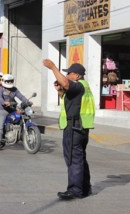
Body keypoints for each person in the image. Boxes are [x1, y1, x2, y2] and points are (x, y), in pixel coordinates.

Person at [43, 59, 95, 200]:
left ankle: (75, 190)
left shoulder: (78, 86)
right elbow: (70, 97)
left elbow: (66, 83)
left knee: (73, 159)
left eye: (70, 73)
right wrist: (60, 91)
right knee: (80, 158)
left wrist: (53, 67)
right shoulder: (84, 86)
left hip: (74, 127)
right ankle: (85, 188)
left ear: (77, 75)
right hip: (82, 127)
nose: (67, 76)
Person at [0, 74, 30, 152]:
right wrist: (4, 102)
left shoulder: (14, 89)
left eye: (11, 81)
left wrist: (27, 101)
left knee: (22, 116)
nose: (9, 82)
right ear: (4, 81)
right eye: (7, 81)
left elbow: (21, 96)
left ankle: (20, 134)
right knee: (0, 127)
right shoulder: (0, 89)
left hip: (12, 108)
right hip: (3, 109)